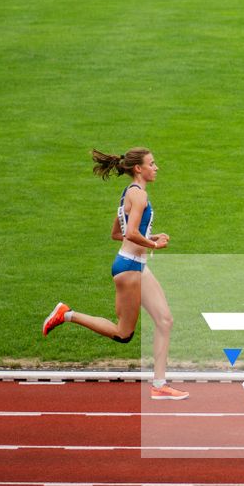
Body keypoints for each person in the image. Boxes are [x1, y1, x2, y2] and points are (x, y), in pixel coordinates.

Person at [41, 148, 188, 400]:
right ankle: (67, 314)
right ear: (138, 169)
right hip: (130, 267)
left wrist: (150, 237)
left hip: (136, 265)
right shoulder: (139, 196)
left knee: (165, 321)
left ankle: (160, 384)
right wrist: (154, 245)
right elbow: (129, 233)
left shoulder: (128, 194)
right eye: (152, 164)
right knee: (123, 333)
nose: (157, 168)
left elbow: (116, 233)